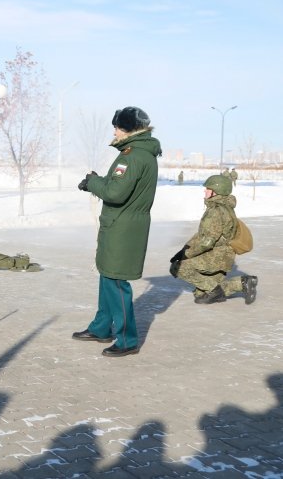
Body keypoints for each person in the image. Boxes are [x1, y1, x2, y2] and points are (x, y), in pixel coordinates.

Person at [74, 106, 162, 357]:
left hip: (122, 228)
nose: (114, 132)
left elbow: (115, 193)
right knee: (107, 275)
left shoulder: (131, 157)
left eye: (117, 127)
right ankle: (101, 327)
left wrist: (92, 183)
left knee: (116, 282)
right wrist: (97, 181)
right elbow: (118, 186)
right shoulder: (141, 154)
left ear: (128, 129)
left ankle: (127, 340)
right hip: (122, 225)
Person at [169, 174, 258, 305]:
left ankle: (214, 290)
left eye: (208, 189)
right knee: (201, 295)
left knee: (178, 267)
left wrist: (187, 254)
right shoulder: (225, 207)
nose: (205, 191)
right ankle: (243, 283)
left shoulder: (215, 211)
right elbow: (203, 235)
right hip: (224, 256)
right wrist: (183, 250)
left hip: (216, 257)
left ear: (216, 191)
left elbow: (206, 242)